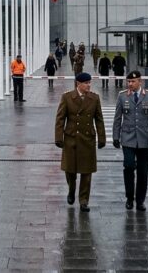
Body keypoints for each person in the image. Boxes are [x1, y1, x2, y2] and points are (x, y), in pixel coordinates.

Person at [54, 72, 106, 212]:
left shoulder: (94, 98)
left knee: (86, 172)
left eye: (89, 82)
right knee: (70, 170)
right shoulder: (67, 97)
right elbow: (60, 119)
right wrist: (58, 137)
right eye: (86, 83)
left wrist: (102, 138)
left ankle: (83, 200)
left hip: (87, 139)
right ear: (78, 84)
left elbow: (99, 119)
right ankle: (71, 190)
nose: (89, 85)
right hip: (71, 139)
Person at [113, 70, 148, 211]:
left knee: (143, 171)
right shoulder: (122, 96)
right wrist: (115, 137)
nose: (130, 84)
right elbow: (117, 118)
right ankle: (129, 198)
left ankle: (140, 201)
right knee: (128, 166)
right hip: (127, 138)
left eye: (133, 81)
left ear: (140, 82)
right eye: (128, 81)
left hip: (144, 139)